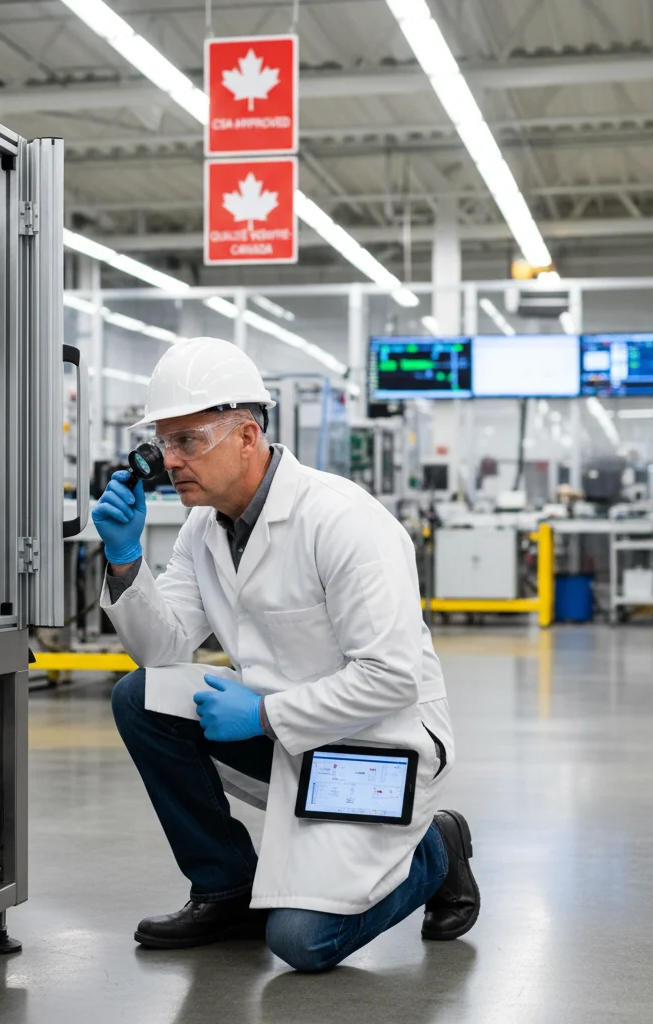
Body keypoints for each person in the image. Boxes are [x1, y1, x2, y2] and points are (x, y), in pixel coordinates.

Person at [92, 337, 479, 973]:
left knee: (302, 941)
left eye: (187, 441)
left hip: (377, 746)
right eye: (164, 444)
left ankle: (437, 849)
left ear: (247, 435)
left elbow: (391, 679)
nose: (170, 461)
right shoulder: (202, 526)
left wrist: (266, 714)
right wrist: (125, 557)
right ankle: (225, 887)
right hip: (290, 737)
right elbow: (160, 652)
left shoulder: (343, 521)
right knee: (141, 698)